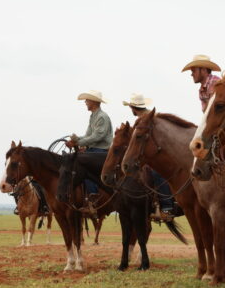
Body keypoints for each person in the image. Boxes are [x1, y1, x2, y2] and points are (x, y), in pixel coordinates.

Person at [123, 93, 175, 222]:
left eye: (131, 107)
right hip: (147, 154)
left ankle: (167, 207)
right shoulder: (141, 119)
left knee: (156, 173)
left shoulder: (150, 118)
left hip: (159, 153)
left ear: (133, 108)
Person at [65, 90, 113, 214]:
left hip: (101, 151)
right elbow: (87, 135)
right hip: (93, 150)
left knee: (84, 169)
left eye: (87, 100)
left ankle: (92, 198)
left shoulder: (102, 117)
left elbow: (97, 137)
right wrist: (75, 140)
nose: (85, 102)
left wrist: (78, 143)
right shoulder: (93, 116)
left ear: (94, 102)